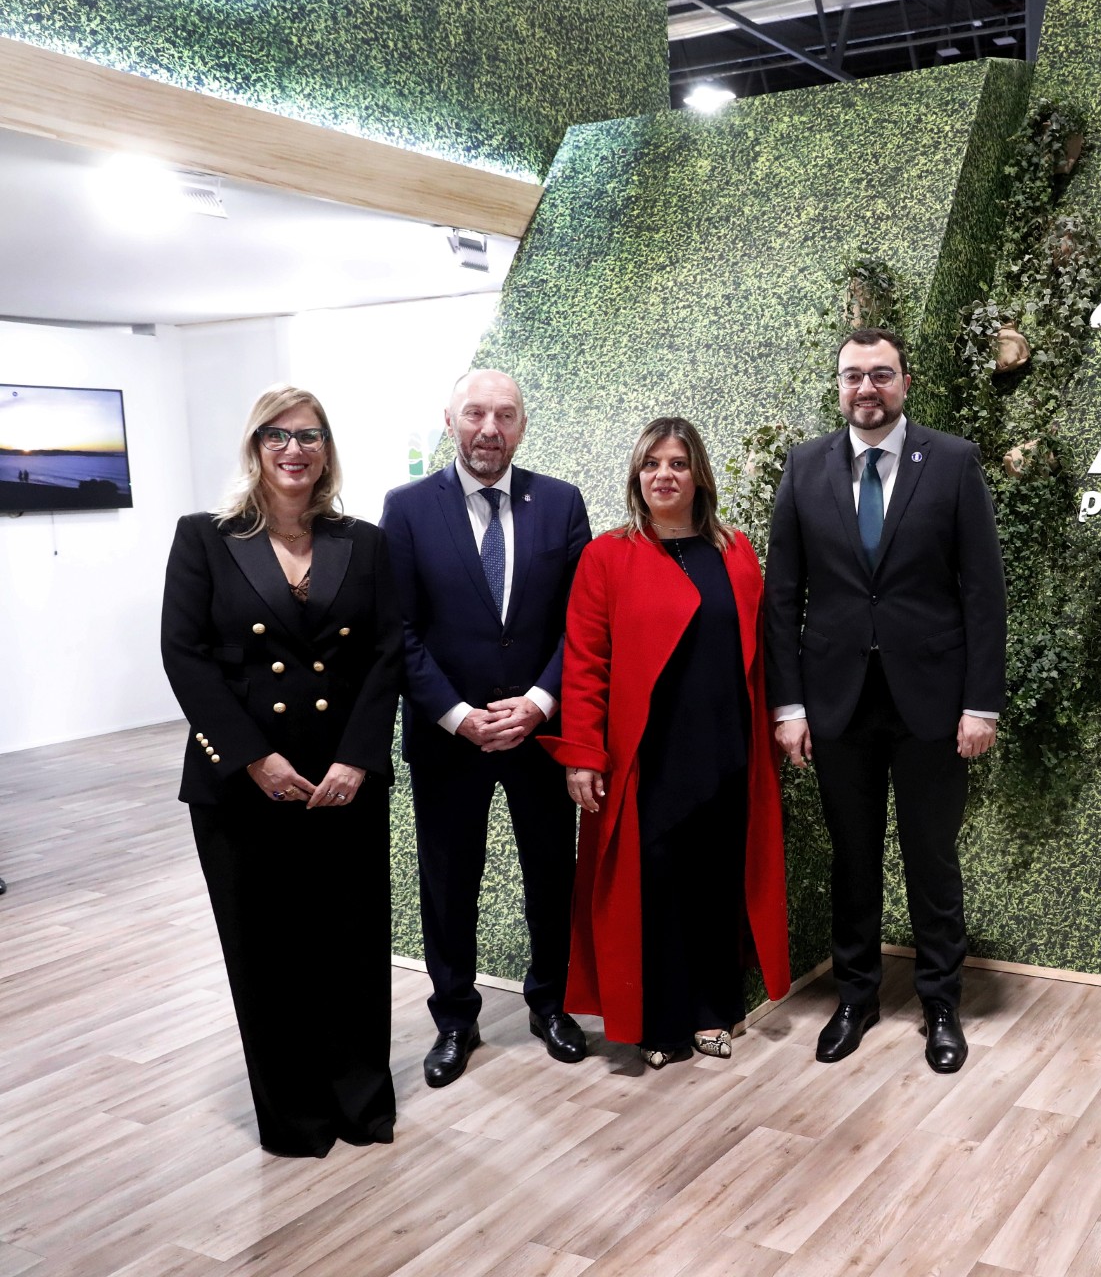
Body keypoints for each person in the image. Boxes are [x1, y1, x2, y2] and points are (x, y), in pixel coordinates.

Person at [158, 384, 402, 1157]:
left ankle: (361, 1104)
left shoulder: (365, 542)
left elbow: (386, 655)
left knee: (351, 949)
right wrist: (254, 759)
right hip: (243, 785)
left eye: (309, 435)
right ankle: (295, 1118)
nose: (293, 450)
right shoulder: (204, 537)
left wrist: (358, 758)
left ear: (327, 450)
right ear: (255, 447)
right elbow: (184, 656)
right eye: (277, 435)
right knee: (265, 954)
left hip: (342, 782)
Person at [762, 328, 1007, 1074]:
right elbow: (782, 598)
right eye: (852, 376)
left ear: (904, 382)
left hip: (932, 702)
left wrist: (982, 705)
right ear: (838, 386)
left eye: (880, 374)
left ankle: (940, 1002)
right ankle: (856, 997)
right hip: (836, 704)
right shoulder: (804, 466)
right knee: (853, 856)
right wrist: (788, 708)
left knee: (932, 857)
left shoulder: (953, 461)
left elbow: (983, 592)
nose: (865, 388)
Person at [542, 418, 791, 1067]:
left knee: (716, 885)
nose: (664, 475)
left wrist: (781, 725)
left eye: (678, 463)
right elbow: (586, 664)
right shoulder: (607, 556)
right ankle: (661, 1022)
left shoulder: (734, 551)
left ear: (698, 475)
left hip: (726, 753)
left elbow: (763, 653)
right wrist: (582, 755)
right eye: (652, 464)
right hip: (646, 761)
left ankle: (714, 1012)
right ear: (637, 477)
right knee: (654, 889)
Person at [380, 369, 592, 1087]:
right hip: (449, 738)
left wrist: (539, 701)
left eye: (504, 415)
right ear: (450, 421)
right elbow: (398, 630)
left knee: (550, 877)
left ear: (522, 426)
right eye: (475, 414)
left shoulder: (560, 503)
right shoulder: (407, 508)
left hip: (539, 734)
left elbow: (581, 623)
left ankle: (550, 1005)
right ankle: (454, 1020)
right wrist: (459, 716)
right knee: (448, 883)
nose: (489, 429)